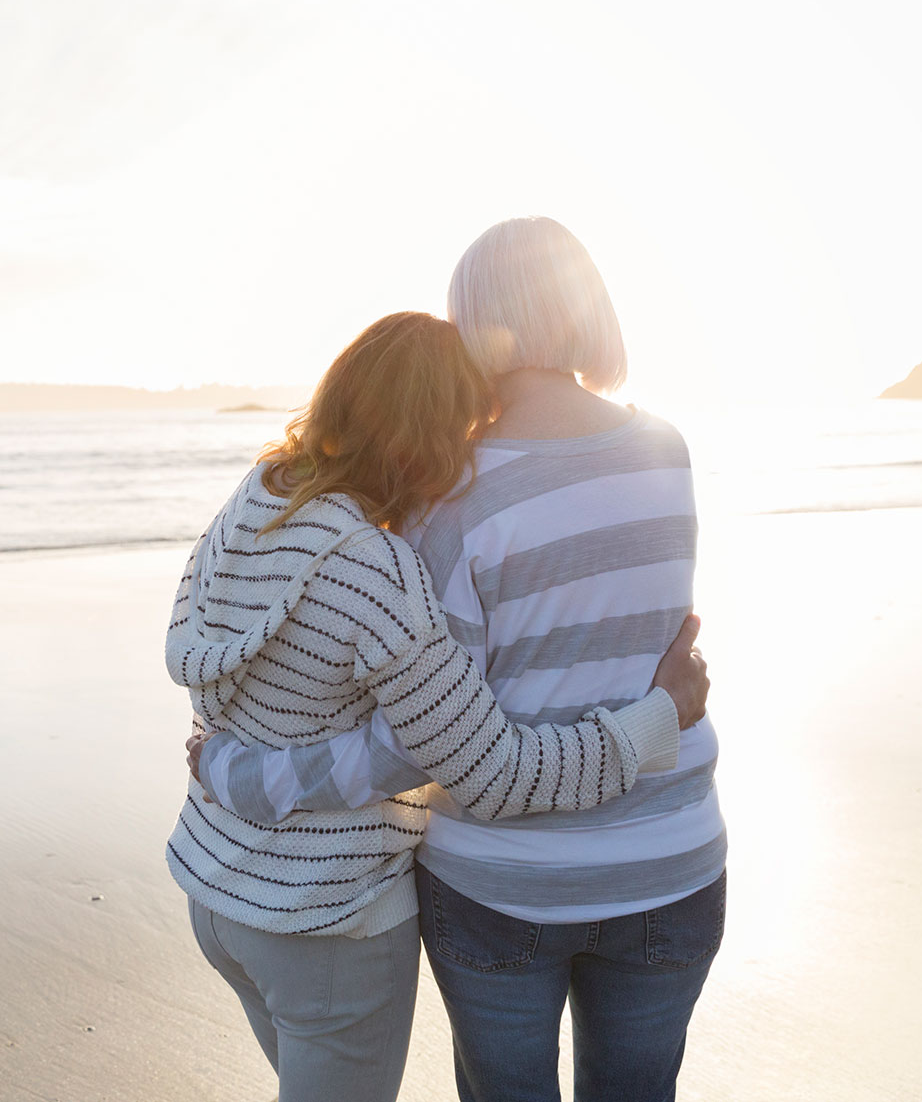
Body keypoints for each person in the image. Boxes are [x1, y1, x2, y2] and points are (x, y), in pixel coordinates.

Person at [195, 218, 725, 1102]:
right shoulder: (667, 451)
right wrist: (662, 714)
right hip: (667, 854)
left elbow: (432, 745)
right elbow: (632, 643)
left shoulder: (452, 491)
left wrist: (249, 772)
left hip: (502, 880)